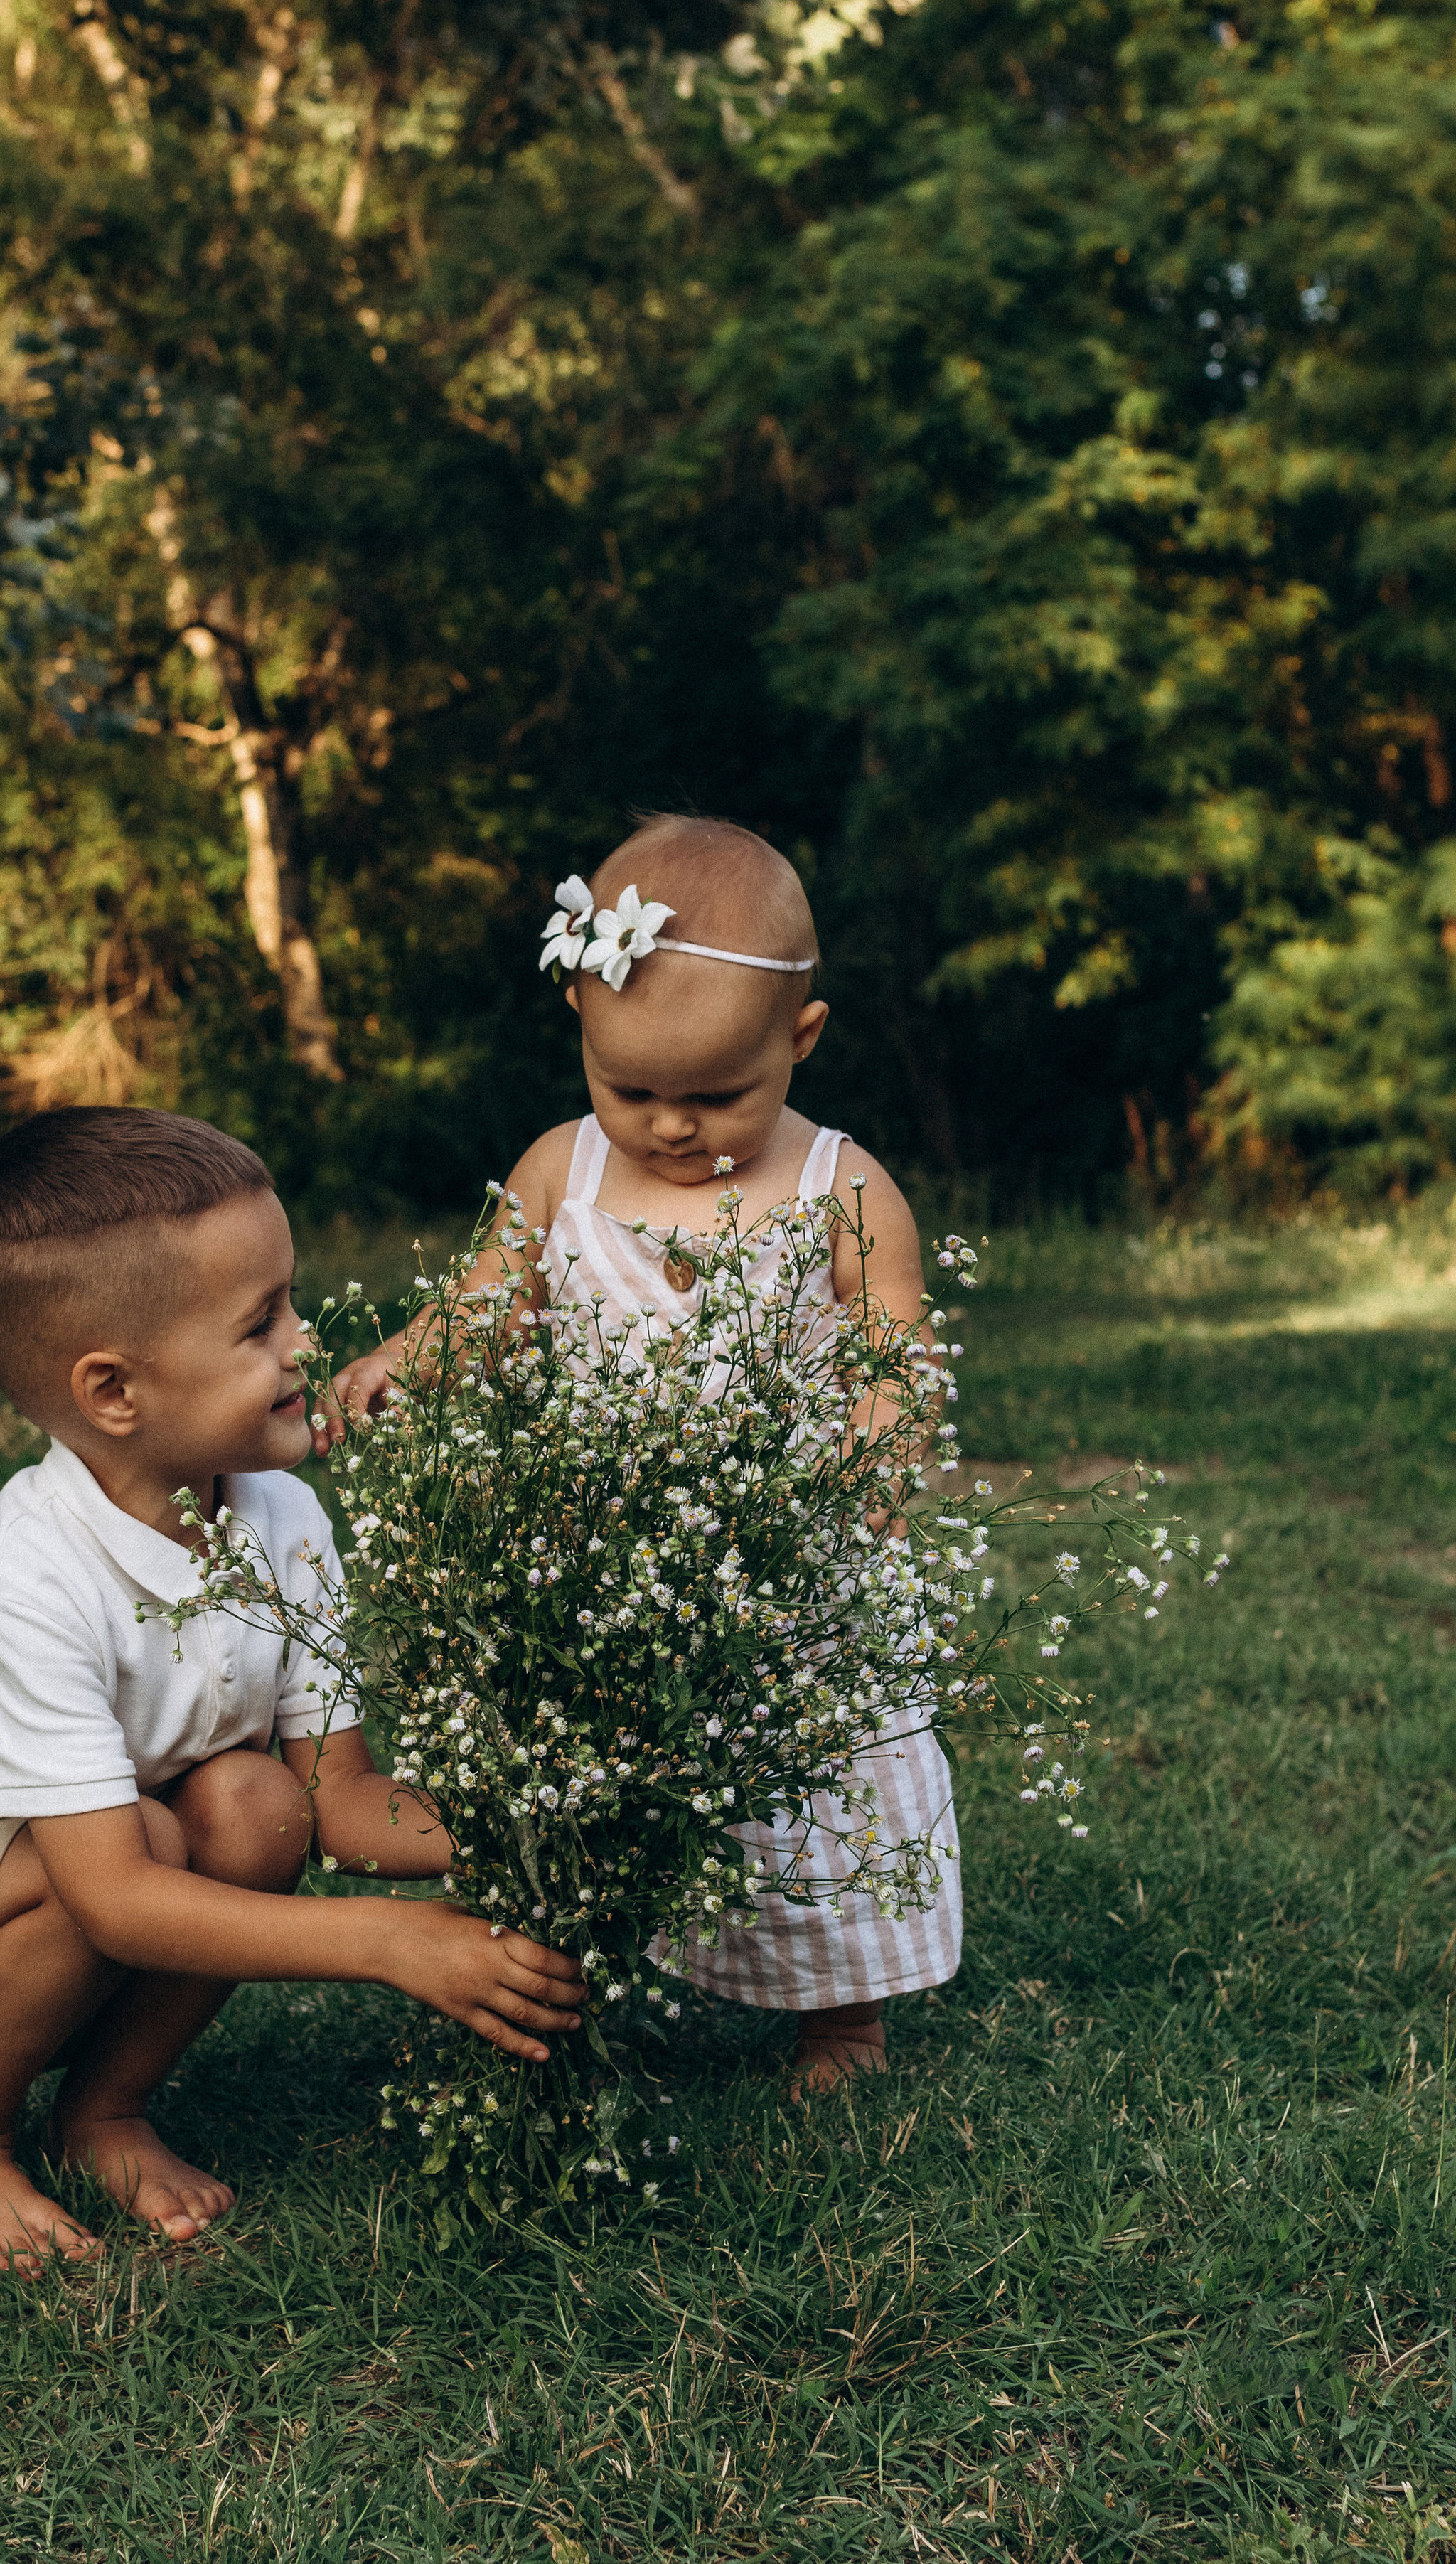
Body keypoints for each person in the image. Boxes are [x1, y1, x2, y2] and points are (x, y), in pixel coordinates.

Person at [0, 1108, 584, 2278]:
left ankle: (102, 2112)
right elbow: (116, 1900)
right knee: (141, 1836)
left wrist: (529, 1827)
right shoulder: (29, 1573)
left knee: (257, 1804)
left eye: (293, 1303)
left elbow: (336, 1800)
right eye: (261, 1325)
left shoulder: (280, 1513)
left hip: (74, 1891)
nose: (306, 1344)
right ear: (112, 1392)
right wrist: (391, 1943)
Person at [323, 814, 959, 2090]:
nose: (670, 1126)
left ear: (804, 1039)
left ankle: (842, 2009)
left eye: (717, 1095)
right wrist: (409, 1353)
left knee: (811, 1780)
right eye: (632, 1091)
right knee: (614, 1765)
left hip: (793, 1557)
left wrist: (884, 1439)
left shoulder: (842, 1184)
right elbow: (490, 1301)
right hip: (604, 1556)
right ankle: (597, 1978)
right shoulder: (564, 1167)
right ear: (582, 1035)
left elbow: (901, 1342)